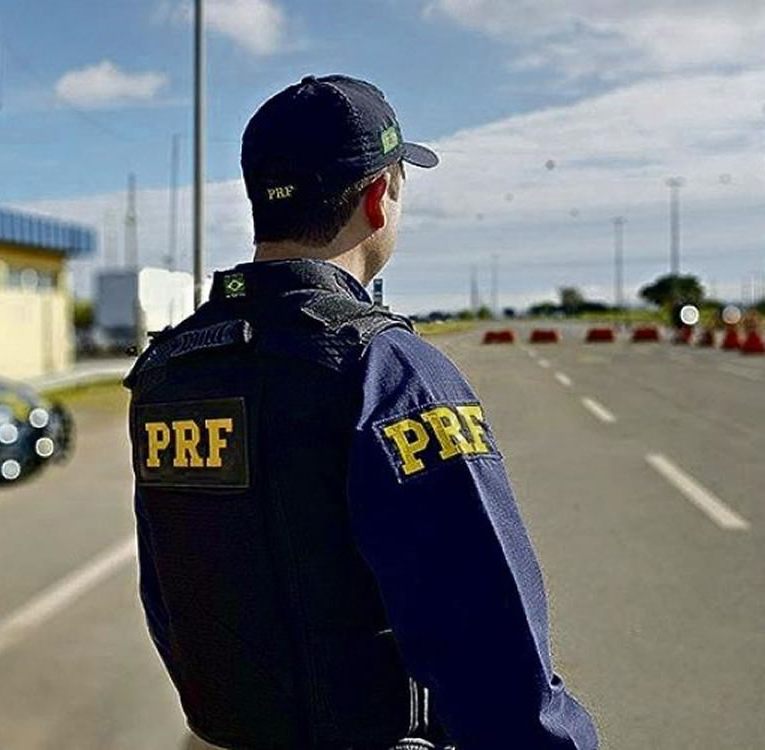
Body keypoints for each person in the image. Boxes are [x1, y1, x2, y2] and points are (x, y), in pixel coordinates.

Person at [125, 75, 599, 750]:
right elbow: (490, 645)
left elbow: (169, 605)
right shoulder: (388, 371)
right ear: (379, 198)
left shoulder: (170, 370)